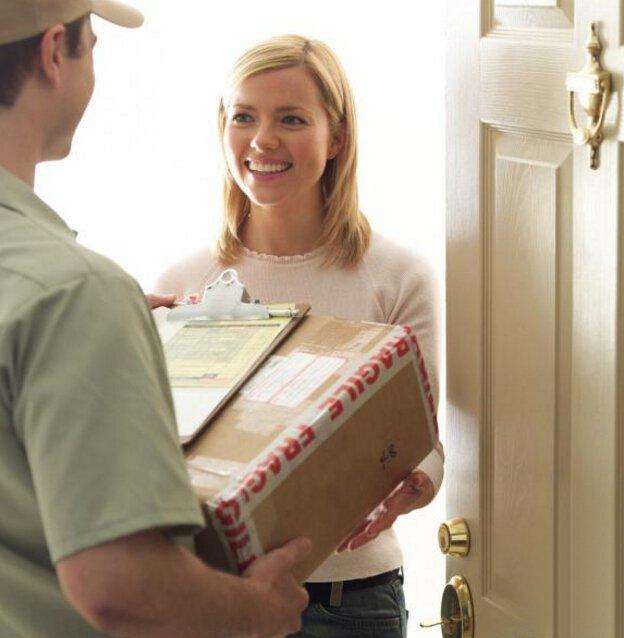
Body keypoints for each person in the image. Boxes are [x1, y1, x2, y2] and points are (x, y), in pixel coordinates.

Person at [0, 4, 311, 637]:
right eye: (93, 44)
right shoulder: (73, 292)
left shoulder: (58, 294)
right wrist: (260, 611)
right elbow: (120, 587)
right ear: (55, 53)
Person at [155, 35, 445, 637]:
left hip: (352, 600)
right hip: (218, 596)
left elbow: (421, 441)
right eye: (244, 116)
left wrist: (418, 485)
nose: (262, 140)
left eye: (291, 119)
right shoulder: (182, 285)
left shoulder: (396, 277)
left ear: (336, 137)